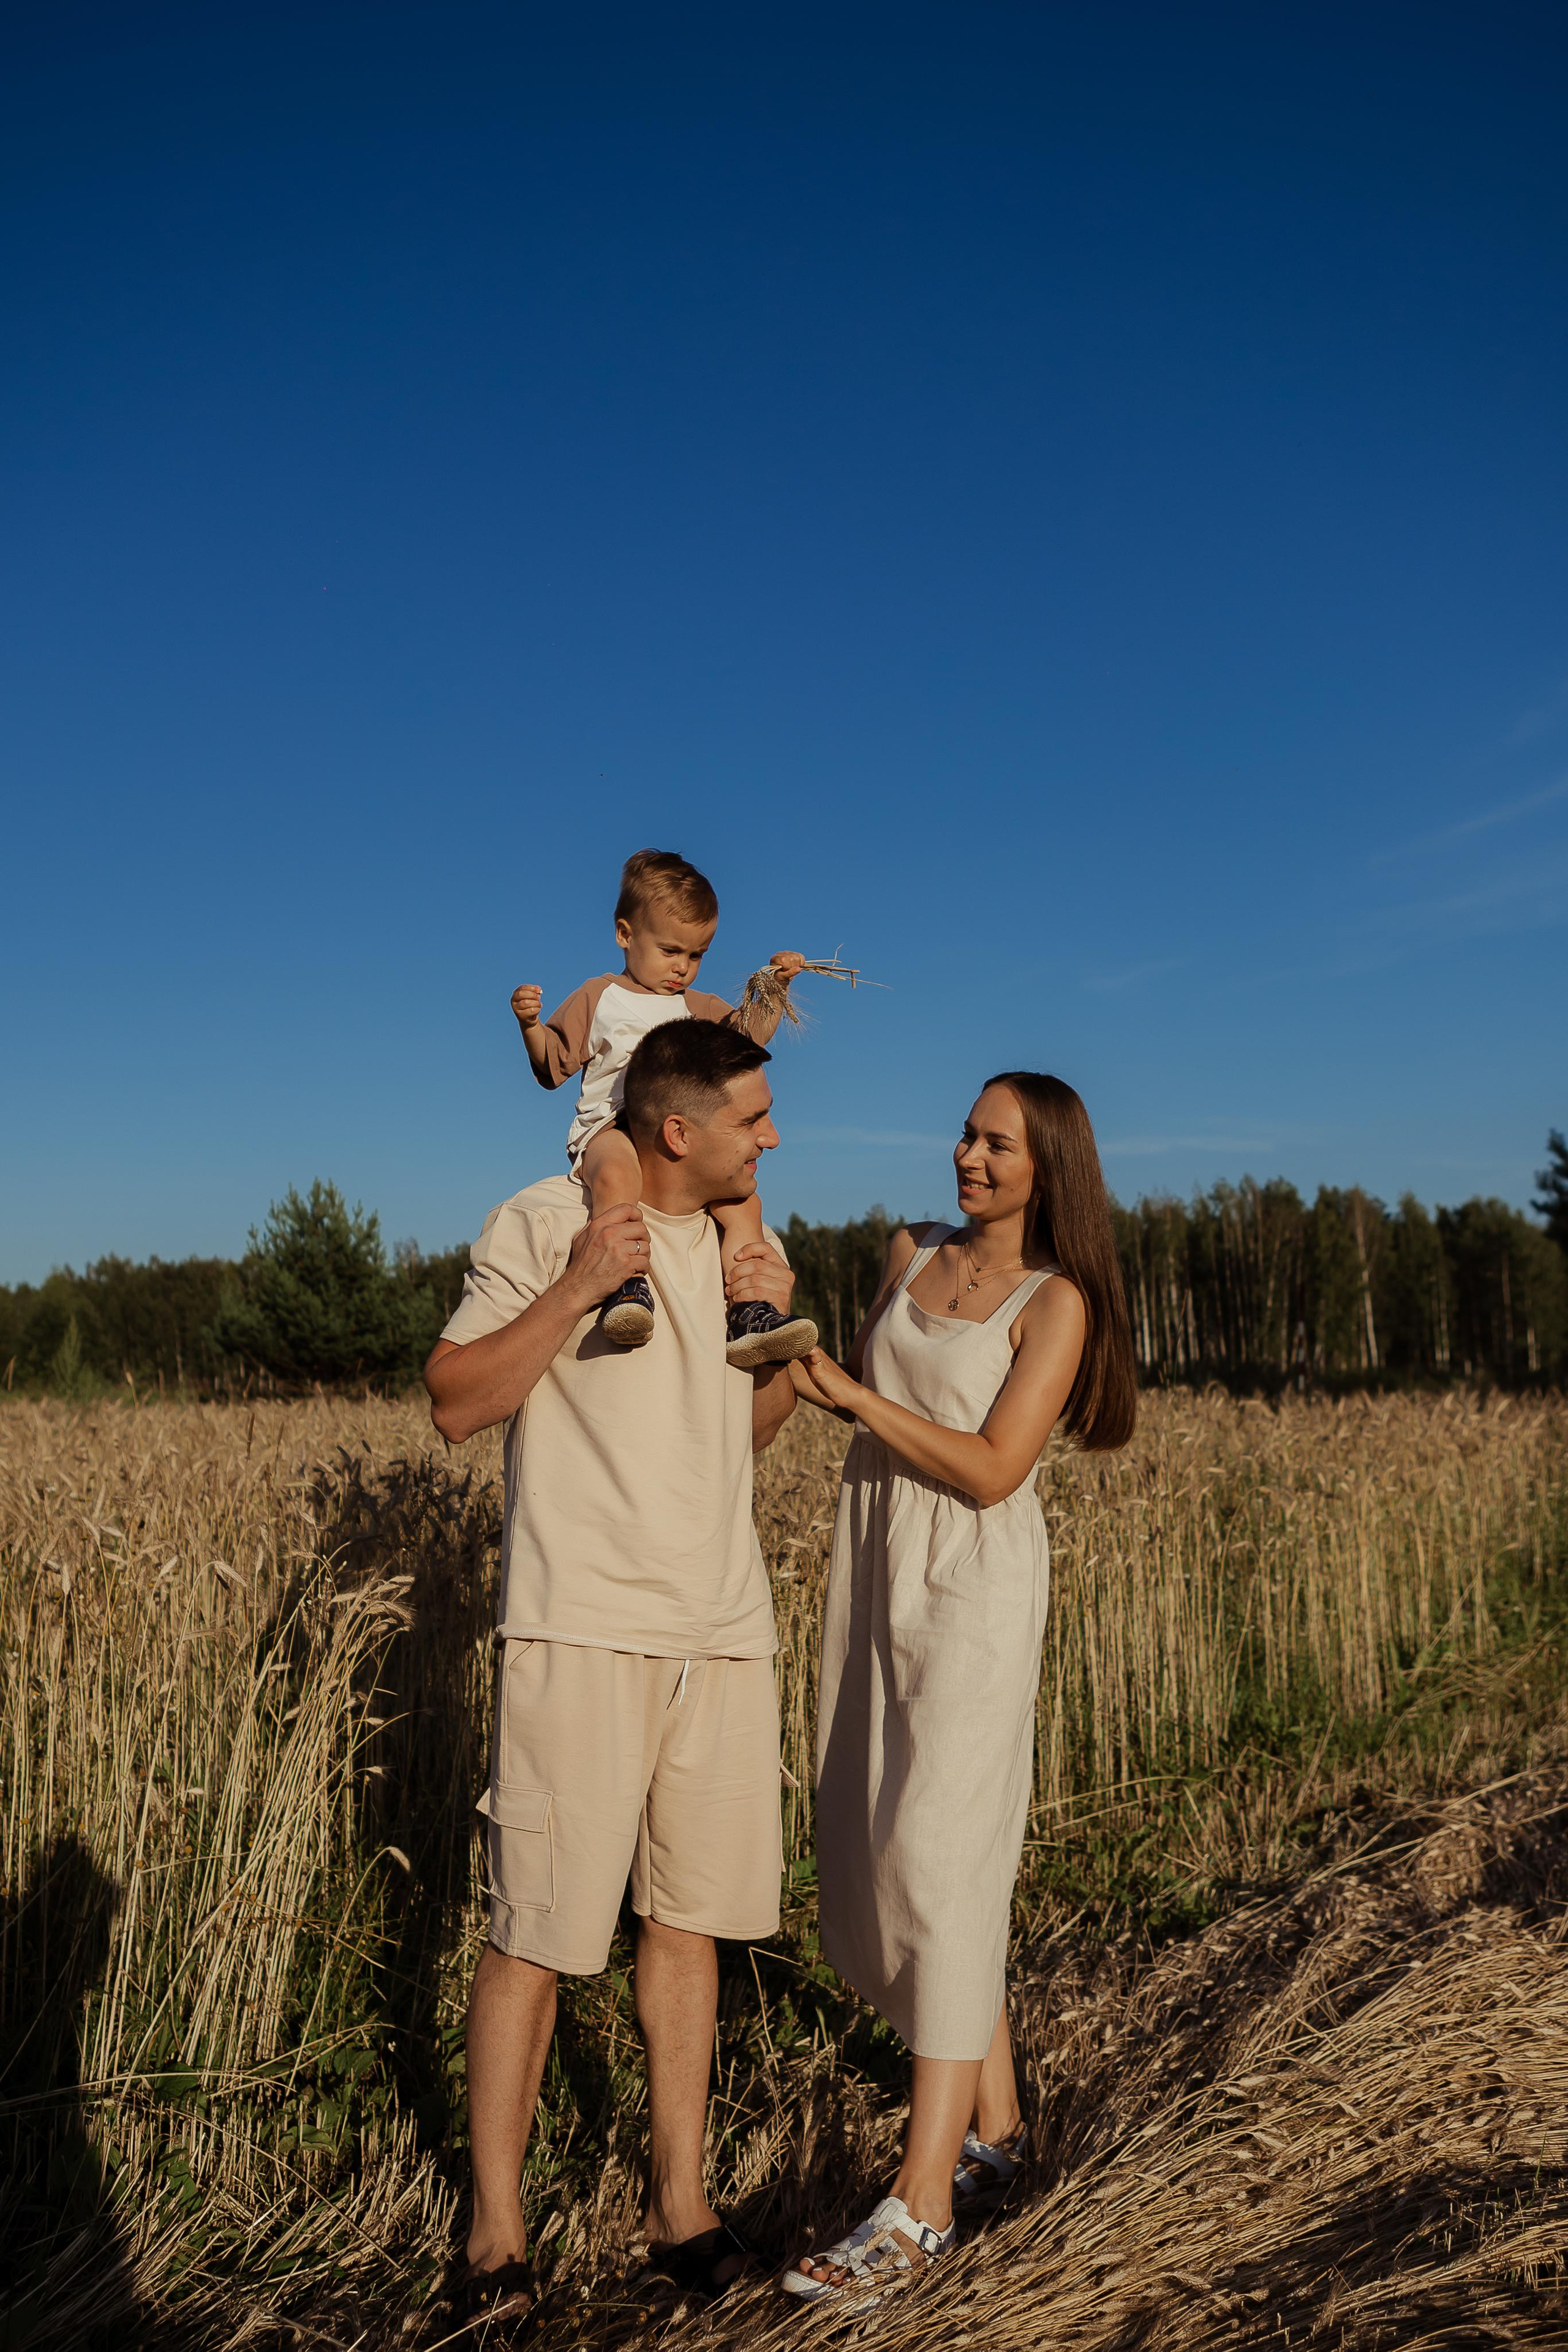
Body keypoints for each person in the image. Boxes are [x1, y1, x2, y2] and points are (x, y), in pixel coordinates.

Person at [423, 1018, 802, 2320]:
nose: (771, 1138)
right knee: (532, 1936)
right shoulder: (545, 1219)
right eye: (753, 1119)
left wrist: (782, 1343)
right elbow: (458, 1398)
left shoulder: (740, 1244)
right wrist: (581, 1280)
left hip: (720, 1631)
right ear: (676, 1130)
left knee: (685, 1927)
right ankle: (494, 2237)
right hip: (579, 1626)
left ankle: (677, 2205)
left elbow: (741, 1432)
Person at [780, 1072, 1137, 2310]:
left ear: (1047, 1170)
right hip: (877, 1563)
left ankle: (921, 2205)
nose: (965, 1155)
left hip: (973, 1589)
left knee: (942, 1857)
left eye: (995, 1144)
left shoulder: (1059, 1304)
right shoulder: (907, 1251)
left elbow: (993, 1471)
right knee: (886, 1838)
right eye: (965, 1134)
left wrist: (853, 1398)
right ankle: (1000, 2132)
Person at [510, 845, 818, 1368]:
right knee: (616, 1179)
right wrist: (530, 1026)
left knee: (747, 1206)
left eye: (697, 956)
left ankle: (751, 1311)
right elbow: (553, 1066)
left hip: (683, 1137)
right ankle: (625, 1286)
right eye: (671, 951)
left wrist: (776, 986)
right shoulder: (599, 996)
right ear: (625, 935)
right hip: (613, 1128)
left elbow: (745, 1040)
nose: (683, 969)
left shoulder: (694, 1008)